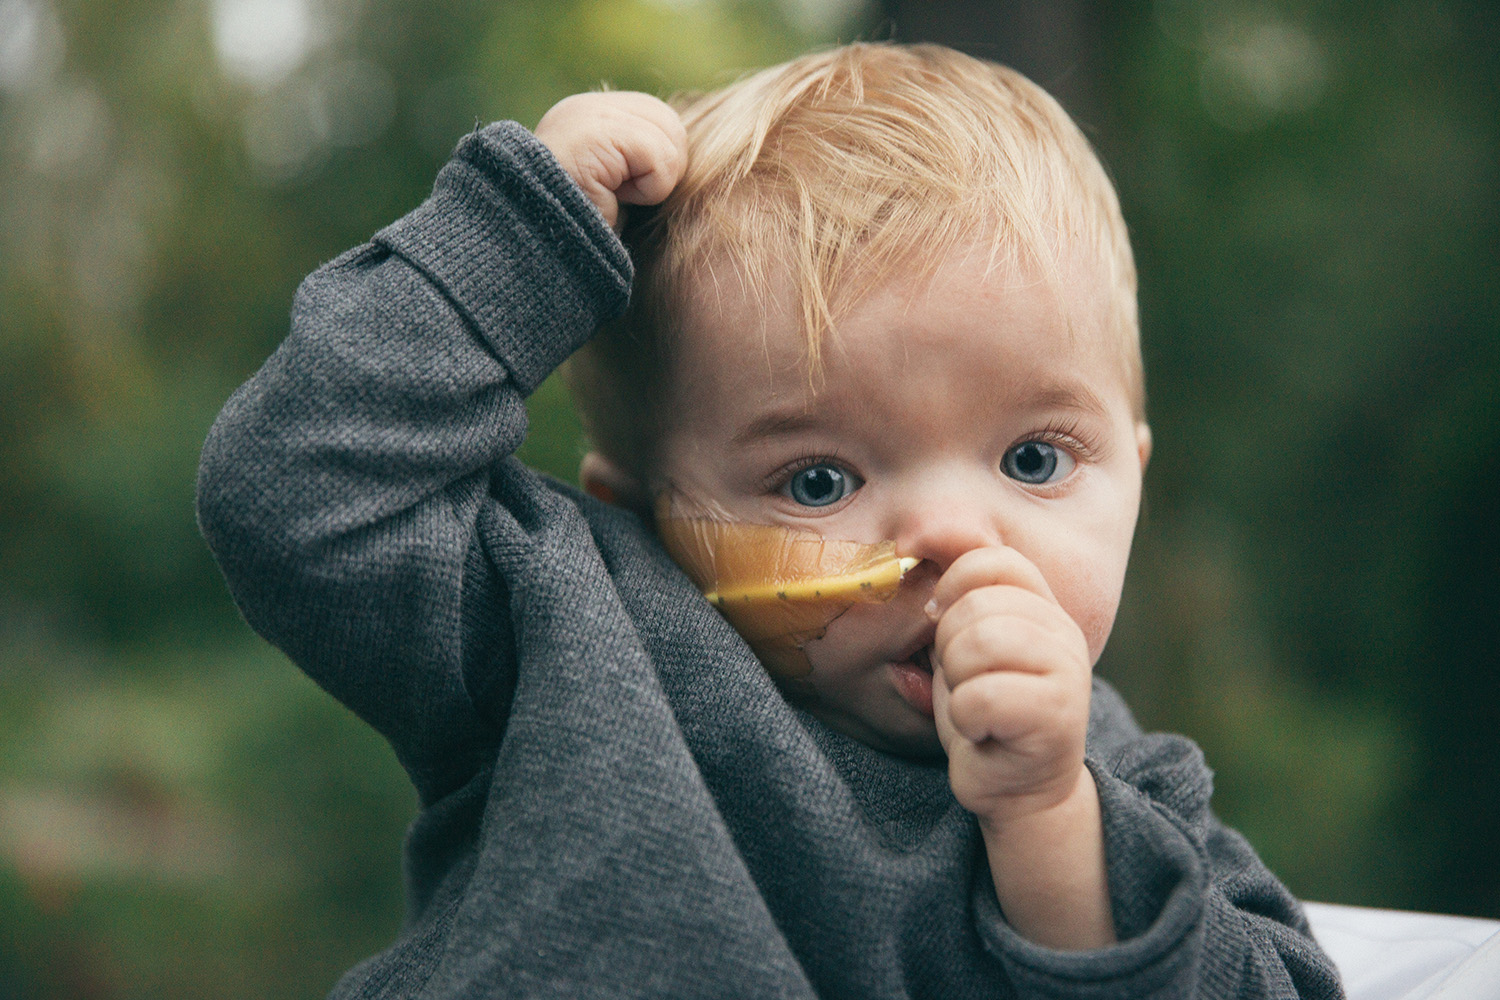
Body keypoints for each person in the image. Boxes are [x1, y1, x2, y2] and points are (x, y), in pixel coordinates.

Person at [197, 42, 1343, 999]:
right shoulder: (568, 628)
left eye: (1033, 458)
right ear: (641, 515)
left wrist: (1051, 830)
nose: (952, 534)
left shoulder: (1115, 783)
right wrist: (518, 232)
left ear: (1133, 477)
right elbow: (293, 492)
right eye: (817, 481)